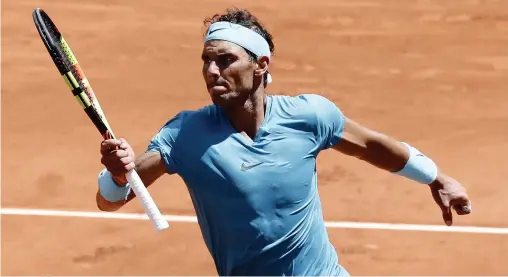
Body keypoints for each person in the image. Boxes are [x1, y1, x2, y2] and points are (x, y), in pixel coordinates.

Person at [96, 7, 472, 276]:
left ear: (261, 65)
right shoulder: (184, 135)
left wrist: (436, 178)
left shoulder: (309, 116)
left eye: (225, 60)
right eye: (206, 61)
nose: (212, 71)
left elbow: (371, 145)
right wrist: (115, 174)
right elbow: (112, 199)